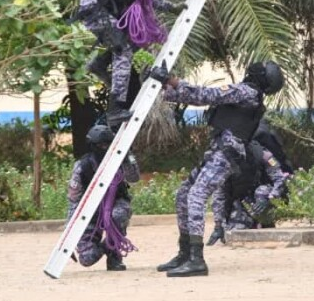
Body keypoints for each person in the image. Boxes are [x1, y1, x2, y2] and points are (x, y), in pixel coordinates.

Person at [153, 61, 284, 277]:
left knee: (196, 195)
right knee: (183, 194)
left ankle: (196, 259)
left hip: (224, 155)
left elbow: (205, 95)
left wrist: (170, 80)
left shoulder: (246, 91)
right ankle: (185, 253)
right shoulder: (249, 94)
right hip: (217, 152)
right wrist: (165, 87)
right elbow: (194, 97)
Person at [74, 0, 214, 126]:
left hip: (101, 12)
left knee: (134, 42)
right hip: (95, 11)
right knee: (122, 51)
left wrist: (171, 7)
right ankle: (115, 110)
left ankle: (99, 64)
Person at [65, 124, 141, 271]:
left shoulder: (120, 159)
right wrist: (68, 237)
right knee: (87, 258)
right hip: (91, 212)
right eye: (101, 145)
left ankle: (114, 255)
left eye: (107, 144)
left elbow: (134, 178)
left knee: (118, 215)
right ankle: (108, 246)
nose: (104, 148)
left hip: (116, 203)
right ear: (92, 146)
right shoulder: (82, 166)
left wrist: (128, 156)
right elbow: (73, 200)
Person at [209, 137, 291, 241]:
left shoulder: (262, 154)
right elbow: (219, 195)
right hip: (242, 202)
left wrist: (271, 197)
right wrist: (218, 225)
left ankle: (265, 222)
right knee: (235, 236)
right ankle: (251, 223)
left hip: (265, 197)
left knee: (261, 192)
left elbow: (279, 179)